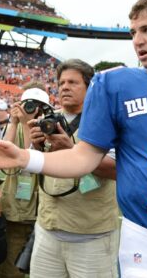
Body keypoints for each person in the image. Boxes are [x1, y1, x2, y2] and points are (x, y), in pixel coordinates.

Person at [0, 0, 147, 277]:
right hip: (143, 235)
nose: (137, 40)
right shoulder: (117, 84)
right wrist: (25, 157)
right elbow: (83, 157)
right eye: (133, 32)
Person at [27, 59, 118, 278]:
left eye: (73, 82)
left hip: (91, 235)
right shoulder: (47, 120)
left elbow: (115, 169)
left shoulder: (107, 120)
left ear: (89, 87)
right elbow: (32, 171)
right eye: (61, 83)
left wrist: (74, 150)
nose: (65, 87)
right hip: (48, 228)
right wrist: (36, 146)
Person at [0, 82, 50, 278]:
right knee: (12, 268)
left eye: (37, 105)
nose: (32, 109)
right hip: (16, 210)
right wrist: (14, 122)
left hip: (42, 210)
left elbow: (33, 158)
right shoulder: (15, 125)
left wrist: (31, 124)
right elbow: (3, 153)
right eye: (29, 104)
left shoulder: (50, 126)